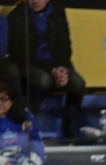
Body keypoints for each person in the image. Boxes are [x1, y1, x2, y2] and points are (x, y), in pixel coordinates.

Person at [7, 0, 85, 139]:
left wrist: (61, 68)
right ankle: (25, 124)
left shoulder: (57, 13)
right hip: (30, 66)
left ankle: (70, 132)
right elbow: (21, 53)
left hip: (56, 66)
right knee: (44, 81)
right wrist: (52, 70)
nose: (35, 1)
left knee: (78, 83)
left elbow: (65, 45)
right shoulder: (16, 16)